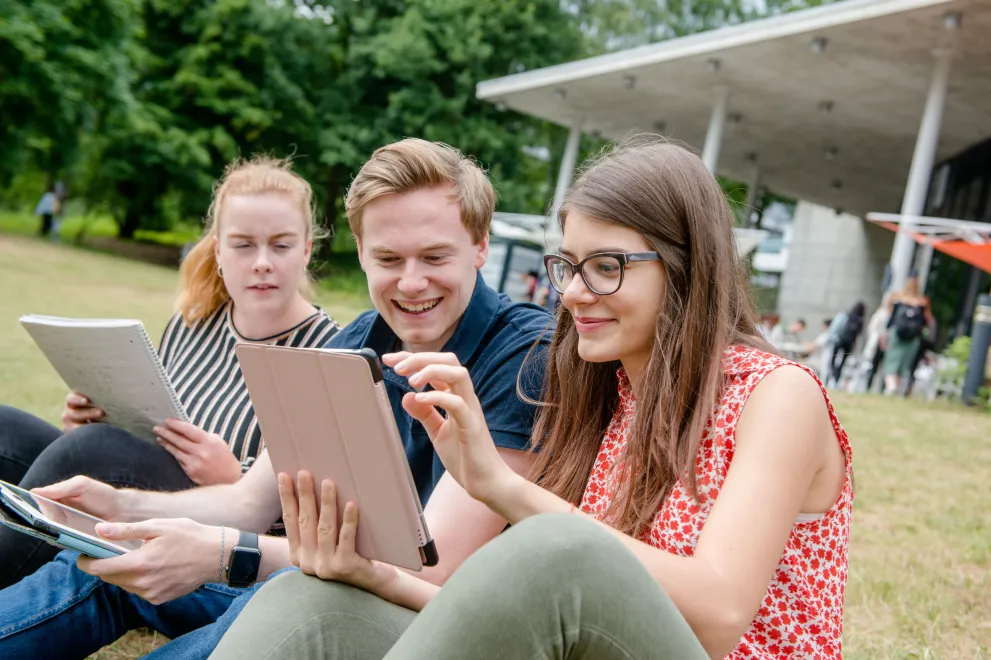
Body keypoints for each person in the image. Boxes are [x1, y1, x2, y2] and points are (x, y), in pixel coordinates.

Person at [211, 137, 853, 660]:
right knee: (312, 602)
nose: (573, 293)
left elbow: (717, 618)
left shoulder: (776, 395)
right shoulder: (604, 395)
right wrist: (367, 574)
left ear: (685, 265)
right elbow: (527, 619)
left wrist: (497, 482)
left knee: (555, 551)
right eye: (568, 266)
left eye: (607, 267)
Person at [0, 139, 551, 660]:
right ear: (359, 251)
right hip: (314, 577)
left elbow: (433, 573)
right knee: (106, 559)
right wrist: (120, 509)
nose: (410, 283)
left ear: (481, 247)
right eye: (388, 259)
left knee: (279, 597)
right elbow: (248, 503)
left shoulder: (524, 355)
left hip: (401, 617)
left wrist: (222, 554)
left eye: (434, 257)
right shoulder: (355, 341)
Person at [0, 156, 340, 589]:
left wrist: (236, 476)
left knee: (96, 449)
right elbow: (152, 423)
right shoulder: (193, 323)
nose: (262, 262)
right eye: (243, 245)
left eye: (281, 245)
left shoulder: (329, 351)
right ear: (218, 250)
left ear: (307, 249)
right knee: (7, 427)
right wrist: (95, 418)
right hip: (137, 485)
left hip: (227, 534)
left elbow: (312, 519)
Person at [882, 275, 931, 396]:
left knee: (891, 360)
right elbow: (926, 322)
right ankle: (896, 387)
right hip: (913, 337)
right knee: (904, 362)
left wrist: (885, 332)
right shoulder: (922, 302)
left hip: (896, 334)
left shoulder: (897, 299)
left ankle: (891, 386)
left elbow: (891, 318)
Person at [862, 293, 894, 393]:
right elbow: (872, 328)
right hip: (877, 344)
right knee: (873, 367)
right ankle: (868, 387)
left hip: (888, 345)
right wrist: (879, 337)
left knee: (886, 368)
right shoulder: (881, 313)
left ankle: (884, 390)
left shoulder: (893, 314)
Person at [830, 301, 865, 387]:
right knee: (842, 362)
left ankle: (833, 375)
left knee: (833, 359)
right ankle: (837, 377)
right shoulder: (860, 320)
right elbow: (859, 333)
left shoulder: (846, 315)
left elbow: (837, 327)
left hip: (839, 340)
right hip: (849, 343)